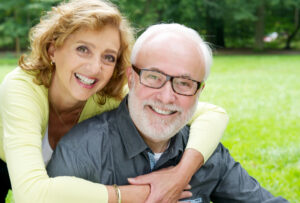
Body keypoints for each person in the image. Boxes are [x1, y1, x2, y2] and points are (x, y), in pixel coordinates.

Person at [0, 0, 229, 202]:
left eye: (108, 57)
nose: (95, 68)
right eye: (83, 49)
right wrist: (135, 195)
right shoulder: (23, 87)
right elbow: (30, 194)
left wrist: (180, 175)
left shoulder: (104, 95)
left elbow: (213, 114)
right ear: (53, 49)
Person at [47, 23, 288, 203]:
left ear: (199, 91)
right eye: (154, 77)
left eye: (184, 83)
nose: (166, 97)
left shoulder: (207, 152)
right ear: (131, 79)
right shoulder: (80, 155)